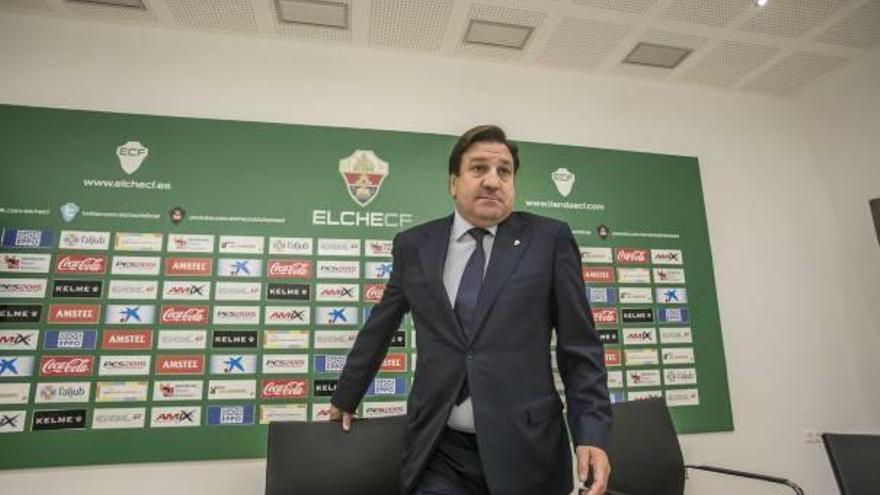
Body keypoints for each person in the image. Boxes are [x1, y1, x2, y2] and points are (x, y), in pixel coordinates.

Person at [330, 125, 611, 495]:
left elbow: (580, 347)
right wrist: (346, 395)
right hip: (438, 447)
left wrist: (591, 432)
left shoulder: (548, 240)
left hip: (527, 448)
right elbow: (381, 327)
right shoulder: (414, 246)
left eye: (504, 171)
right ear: (453, 182)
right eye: (479, 169)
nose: (493, 181)